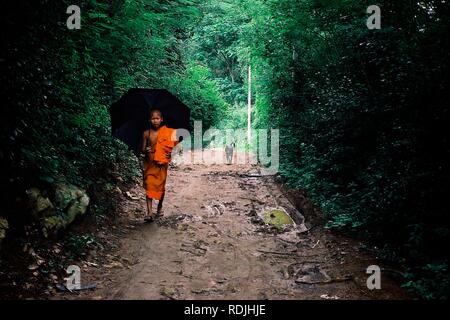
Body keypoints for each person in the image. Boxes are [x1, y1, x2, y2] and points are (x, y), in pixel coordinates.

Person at [140, 109, 181, 223]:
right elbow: (142, 149)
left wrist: (171, 153)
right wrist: (145, 150)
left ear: (161, 119)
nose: (155, 121)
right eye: (153, 118)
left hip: (162, 164)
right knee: (149, 186)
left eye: (157, 118)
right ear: (150, 120)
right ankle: (149, 212)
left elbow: (177, 147)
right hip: (150, 163)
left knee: (160, 187)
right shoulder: (146, 133)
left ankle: (159, 206)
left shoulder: (168, 132)